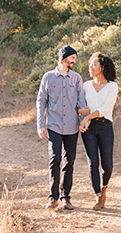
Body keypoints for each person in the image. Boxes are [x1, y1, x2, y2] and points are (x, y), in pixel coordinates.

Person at [36, 44, 87, 210]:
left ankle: (66, 196)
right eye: (72, 58)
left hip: (72, 125)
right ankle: (53, 197)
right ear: (63, 58)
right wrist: (40, 125)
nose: (74, 61)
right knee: (55, 159)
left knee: (69, 161)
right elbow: (41, 101)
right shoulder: (48, 77)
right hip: (54, 125)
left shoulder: (76, 78)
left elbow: (82, 102)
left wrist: (85, 119)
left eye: (75, 59)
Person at [79, 52, 118, 210]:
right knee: (93, 162)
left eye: (94, 64)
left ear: (102, 67)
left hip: (105, 126)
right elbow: (80, 106)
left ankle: (104, 188)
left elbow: (105, 108)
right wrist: (82, 115)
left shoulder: (112, 86)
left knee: (107, 164)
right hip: (88, 129)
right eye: (90, 64)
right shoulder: (86, 86)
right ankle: (98, 196)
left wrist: (87, 117)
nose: (91, 67)